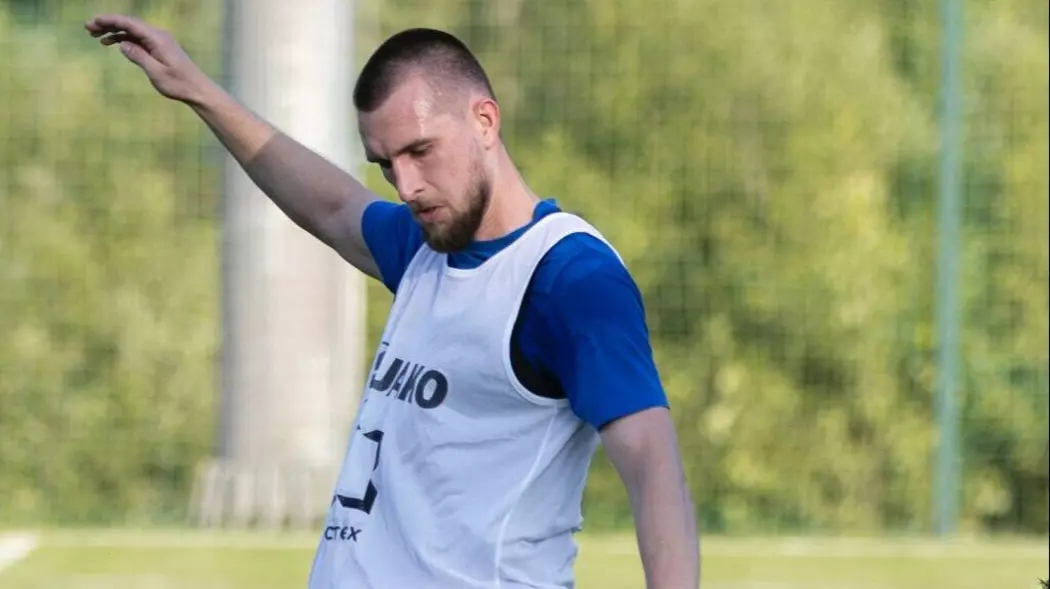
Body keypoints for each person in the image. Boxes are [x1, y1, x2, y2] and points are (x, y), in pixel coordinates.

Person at [85, 13, 700, 589]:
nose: (405, 185)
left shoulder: (570, 278)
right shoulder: (426, 246)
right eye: (385, 164)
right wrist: (197, 89)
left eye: (420, 151)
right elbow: (330, 204)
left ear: (485, 121)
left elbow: (654, 471)